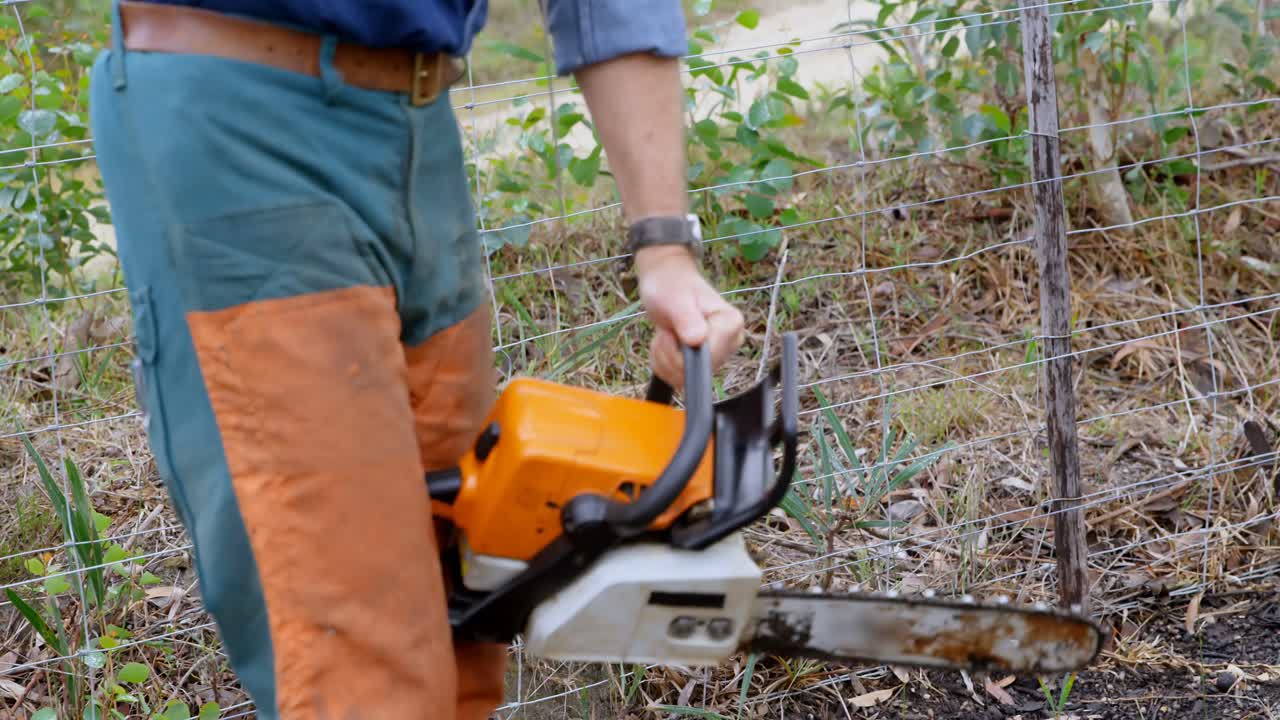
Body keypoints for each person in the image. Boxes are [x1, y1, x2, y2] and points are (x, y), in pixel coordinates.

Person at [87, 0, 745, 718]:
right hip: (242, 112)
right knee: (361, 670)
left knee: (468, 607)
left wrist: (664, 246)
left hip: (417, 120)